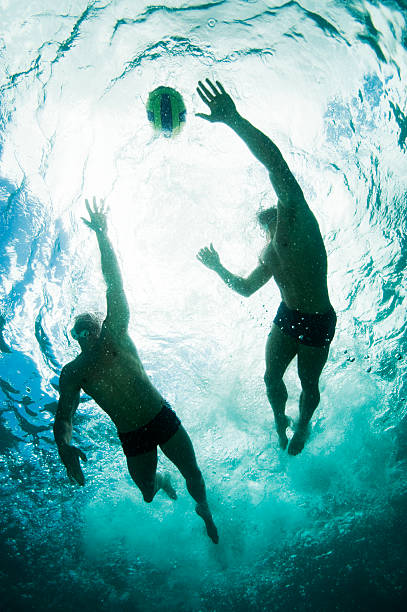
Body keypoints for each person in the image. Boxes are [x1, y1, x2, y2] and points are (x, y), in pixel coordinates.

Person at [53, 198, 218, 543]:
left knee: (194, 473)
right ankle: (160, 480)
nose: (84, 333)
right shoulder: (74, 372)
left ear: (100, 326)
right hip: (132, 434)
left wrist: (102, 234)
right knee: (145, 492)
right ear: (75, 339)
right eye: (77, 332)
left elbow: (114, 280)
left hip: (160, 415)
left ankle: (204, 509)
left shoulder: (116, 334)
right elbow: (64, 416)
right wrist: (64, 448)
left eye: (89, 327)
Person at [196, 79, 336, 455]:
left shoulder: (298, 216)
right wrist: (218, 267)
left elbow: (274, 162)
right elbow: (244, 288)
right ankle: (280, 422)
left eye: (267, 214)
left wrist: (233, 119)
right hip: (287, 314)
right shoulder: (269, 252)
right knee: (271, 377)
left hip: (318, 318)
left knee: (308, 383)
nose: (263, 221)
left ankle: (303, 424)